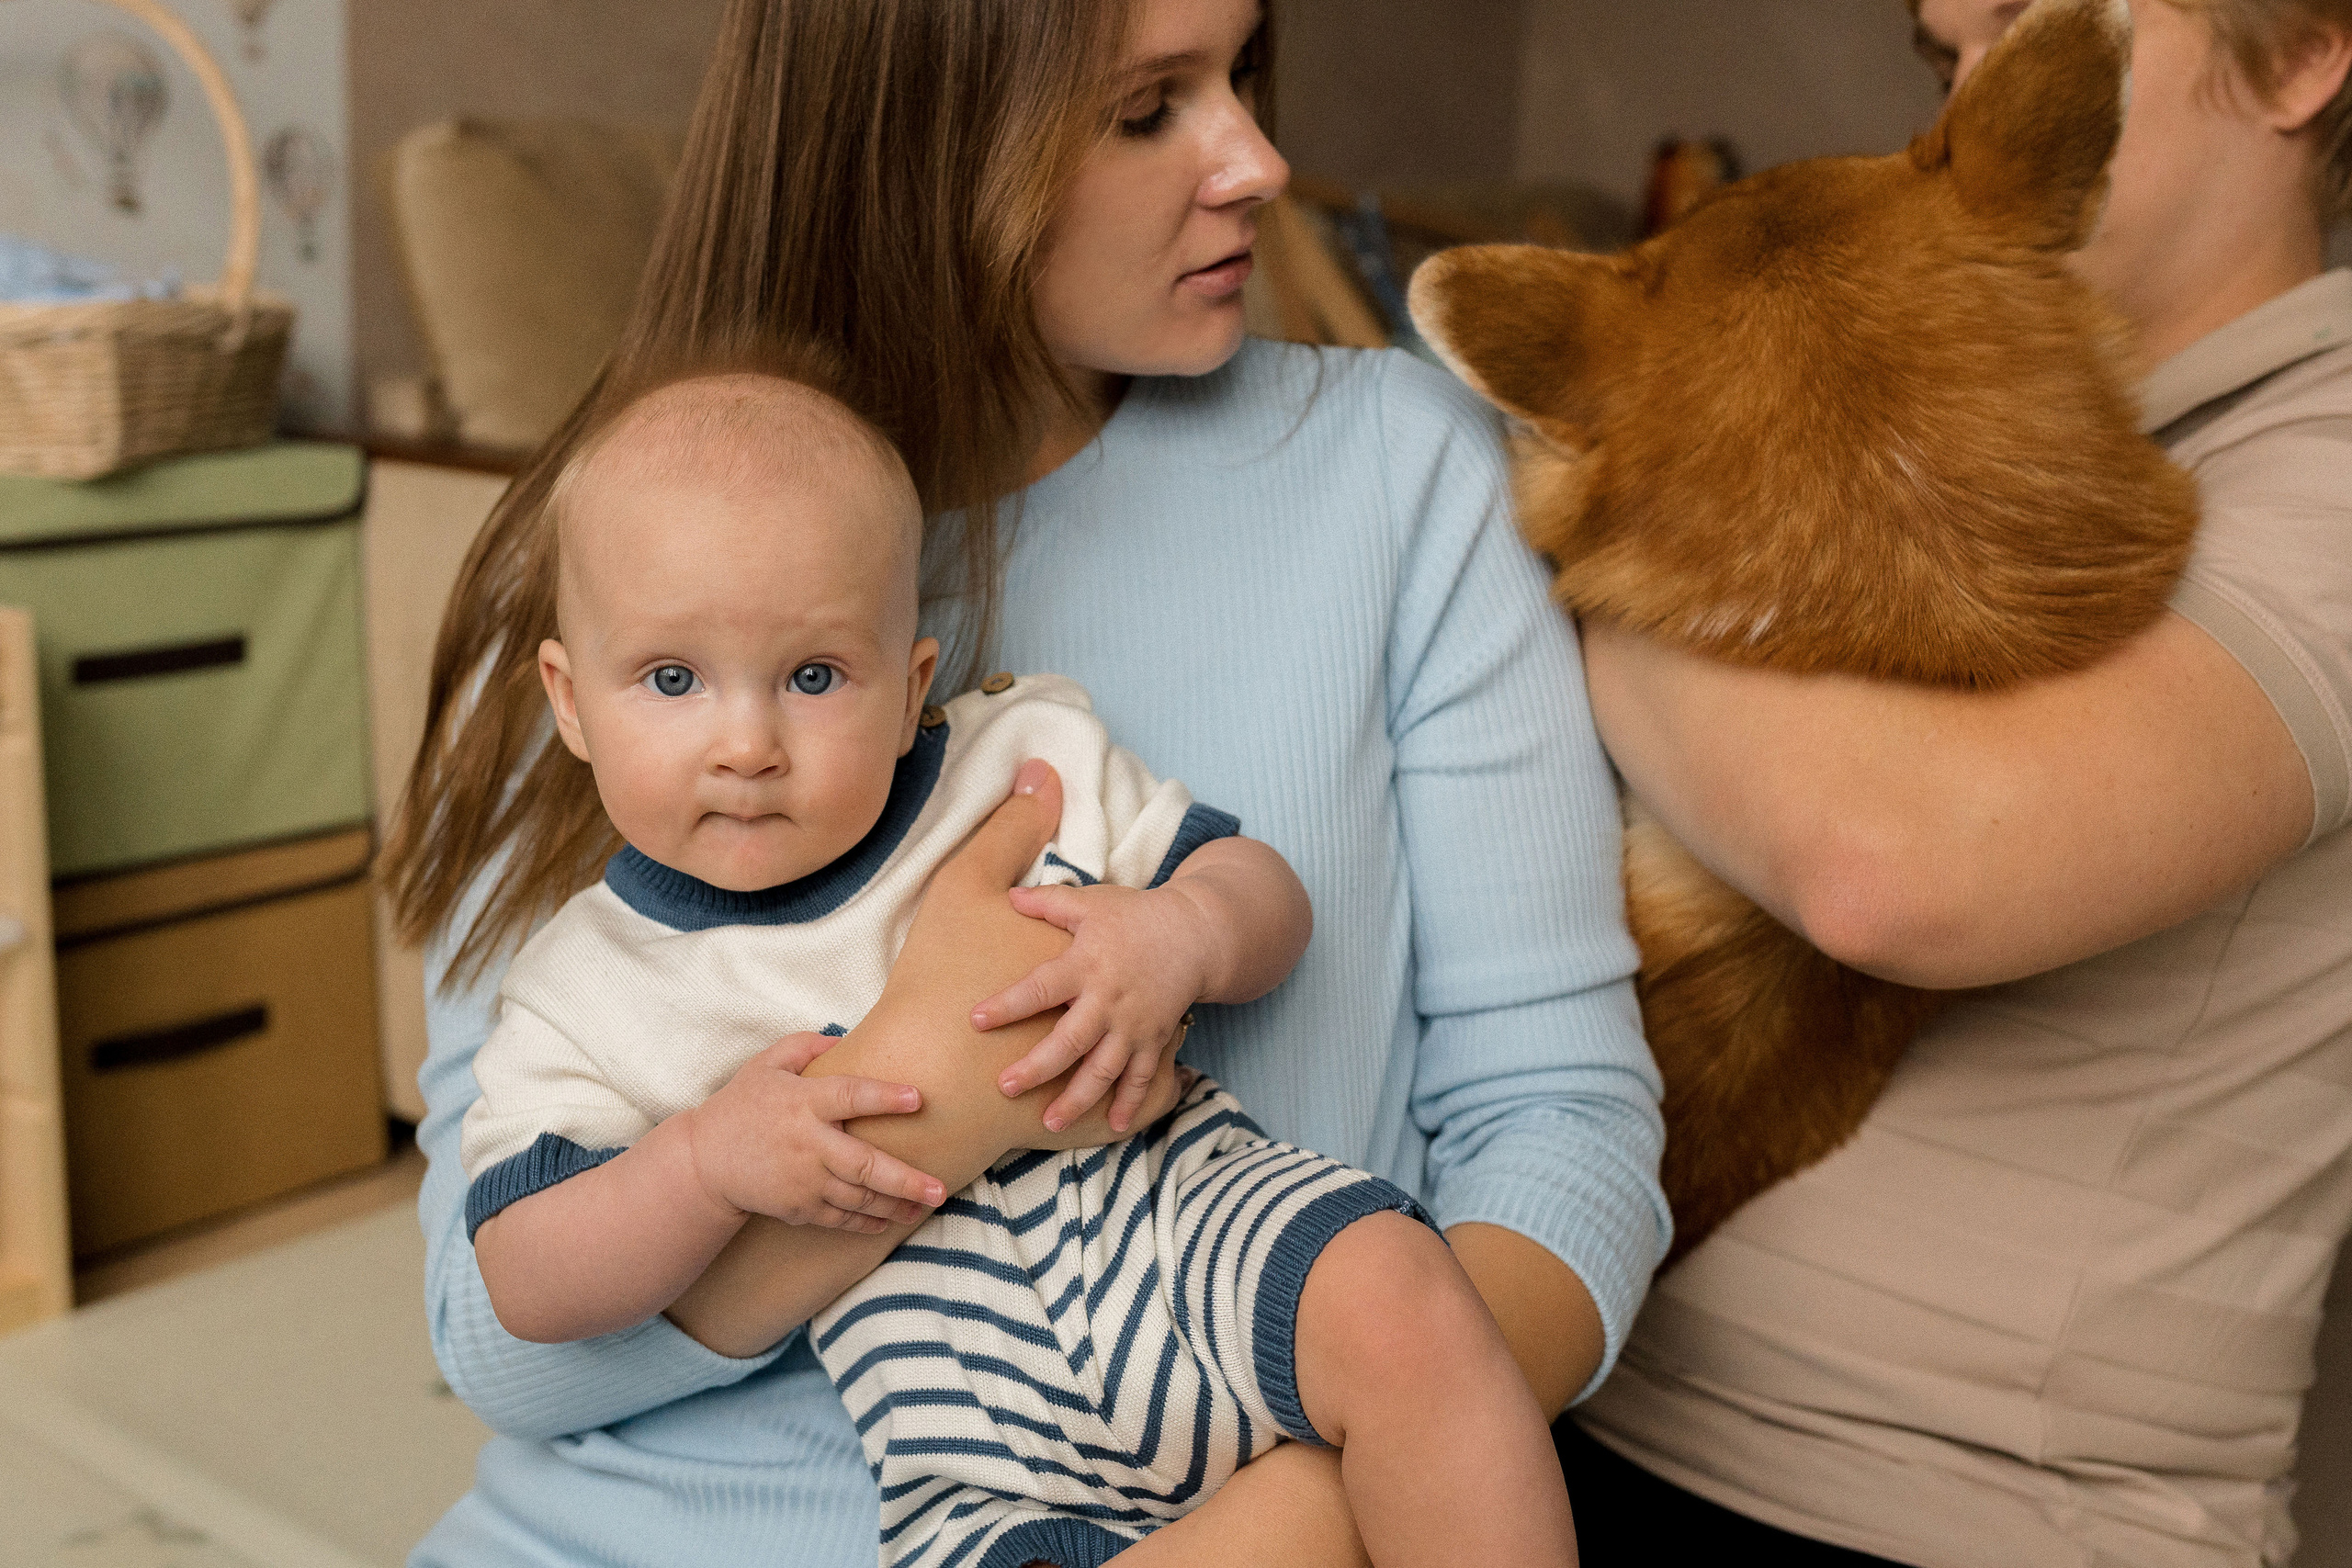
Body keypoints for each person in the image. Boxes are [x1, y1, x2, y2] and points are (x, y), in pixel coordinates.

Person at [382, 0, 1670, 1562]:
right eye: (1147, 110)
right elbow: (495, 1336)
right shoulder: (628, 567)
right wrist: (933, 1084)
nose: (1257, 160)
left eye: (1241, 74)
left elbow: (1560, 1132)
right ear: (914, 138)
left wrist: (1324, 1504)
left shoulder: (1395, 477)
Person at [457, 367, 1576, 1568]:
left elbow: (1268, 900)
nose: (746, 746)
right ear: (571, 702)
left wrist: (1182, 933)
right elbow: (524, 1280)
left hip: (1183, 1222)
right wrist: (695, 1170)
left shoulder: (1019, 769)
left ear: (909, 688)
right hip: (948, 1396)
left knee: (1407, 1303)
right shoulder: (587, 985)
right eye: (672, 680)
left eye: (814, 677)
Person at [1555, 1, 2352, 1564]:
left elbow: (1904, 868)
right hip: (1599, 1406)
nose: (1978, 95)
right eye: (1953, 54)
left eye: (2036, 23)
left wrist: (1575, 545)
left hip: (1955, 1510)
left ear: (2306, 51)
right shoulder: (1969, 433)